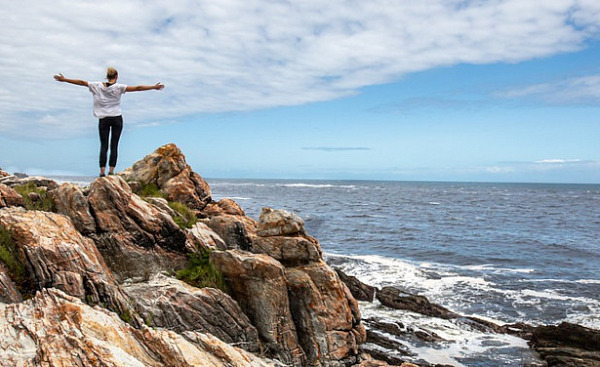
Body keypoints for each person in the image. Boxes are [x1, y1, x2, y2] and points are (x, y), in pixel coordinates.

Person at [54, 67, 164, 177]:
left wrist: (65, 79)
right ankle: (111, 172)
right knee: (114, 145)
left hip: (103, 119)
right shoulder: (119, 87)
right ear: (116, 77)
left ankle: (102, 172)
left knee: (104, 146)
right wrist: (154, 87)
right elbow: (138, 88)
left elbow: (82, 82)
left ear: (107, 76)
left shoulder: (96, 85)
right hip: (116, 118)